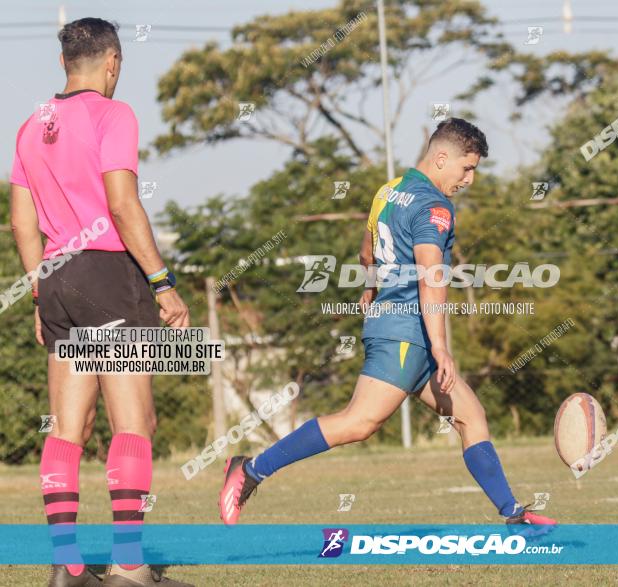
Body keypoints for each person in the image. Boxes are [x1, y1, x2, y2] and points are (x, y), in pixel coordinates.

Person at [219, 118, 556, 529]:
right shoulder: (434, 207)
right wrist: (440, 347)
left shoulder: (388, 190)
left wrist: (371, 286)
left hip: (401, 328)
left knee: (471, 417)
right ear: (441, 156)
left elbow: (366, 252)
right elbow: (432, 278)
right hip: (407, 334)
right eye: (466, 168)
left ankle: (512, 514)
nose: (470, 179)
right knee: (359, 422)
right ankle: (250, 470)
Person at [9, 17, 191, 587]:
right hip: (111, 272)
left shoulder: (28, 127)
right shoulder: (116, 114)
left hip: (56, 276)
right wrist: (163, 282)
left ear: (65, 63)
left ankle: (67, 567)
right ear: (113, 62)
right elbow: (122, 203)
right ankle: (131, 568)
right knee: (135, 421)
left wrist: (39, 289)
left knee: (67, 428)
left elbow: (20, 219)